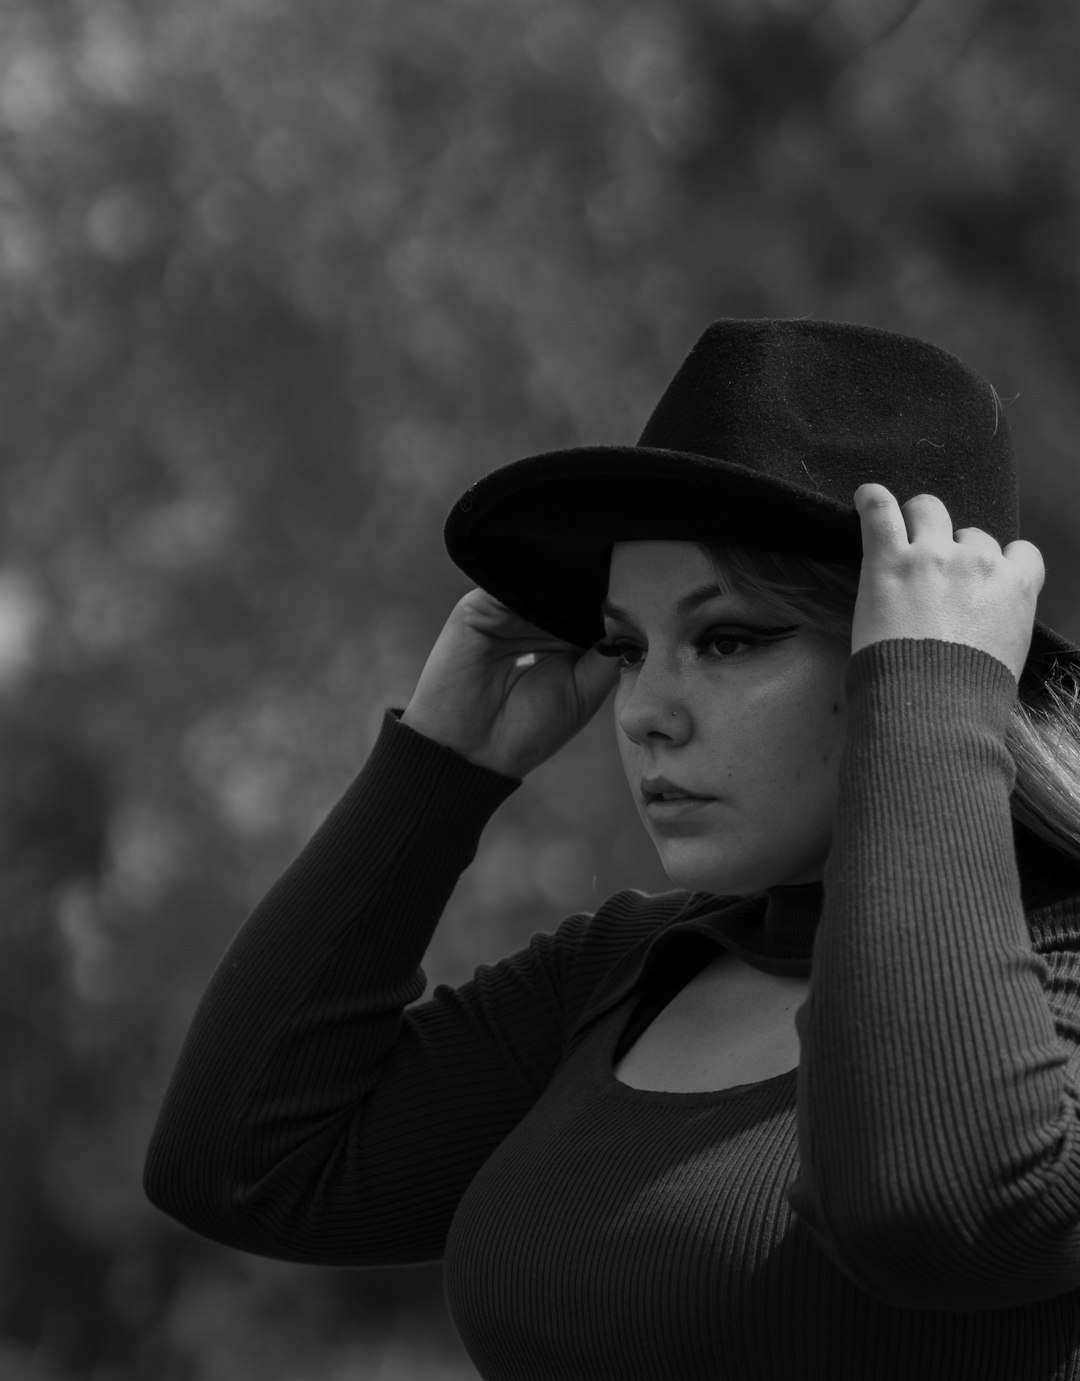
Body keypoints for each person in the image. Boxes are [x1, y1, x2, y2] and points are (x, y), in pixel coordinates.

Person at [144, 317, 1080, 1380]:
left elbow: (933, 1203)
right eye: (628, 647)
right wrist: (437, 767)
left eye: (727, 638)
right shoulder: (626, 973)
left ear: (914, 654)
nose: (645, 711)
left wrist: (934, 707)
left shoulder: (1061, 980)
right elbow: (244, 1163)